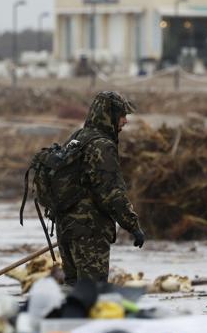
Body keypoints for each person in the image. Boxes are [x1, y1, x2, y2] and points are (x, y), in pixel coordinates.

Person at [53, 91, 145, 285]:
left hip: (66, 229)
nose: (125, 121)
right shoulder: (102, 146)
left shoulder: (77, 138)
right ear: (109, 115)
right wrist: (133, 226)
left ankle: (69, 316)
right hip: (89, 232)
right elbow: (112, 194)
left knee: (73, 290)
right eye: (122, 115)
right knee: (91, 293)